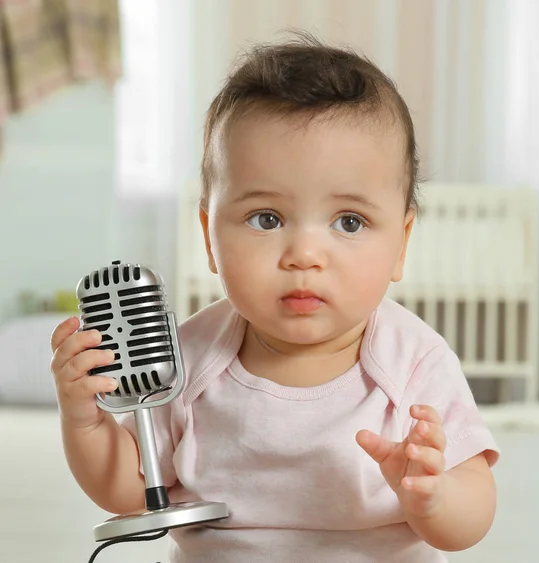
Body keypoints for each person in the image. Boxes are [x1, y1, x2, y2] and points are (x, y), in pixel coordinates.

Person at [51, 33, 500, 562]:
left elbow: (472, 511)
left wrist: (434, 496)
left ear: (401, 243)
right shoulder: (188, 358)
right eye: (267, 219)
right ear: (209, 237)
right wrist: (84, 420)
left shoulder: (414, 362)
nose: (304, 254)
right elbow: (130, 492)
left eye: (349, 222)